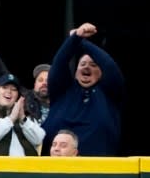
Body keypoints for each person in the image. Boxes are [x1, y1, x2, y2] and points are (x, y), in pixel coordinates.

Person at [41, 22, 123, 157]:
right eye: (82, 64)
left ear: (101, 72)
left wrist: (81, 42)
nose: (86, 67)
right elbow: (59, 63)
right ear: (76, 70)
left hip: (97, 171)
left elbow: (110, 66)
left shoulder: (109, 93)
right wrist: (75, 38)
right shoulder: (63, 91)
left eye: (93, 65)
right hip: (56, 170)